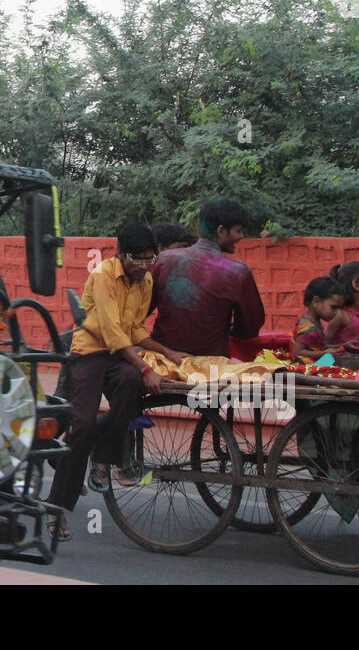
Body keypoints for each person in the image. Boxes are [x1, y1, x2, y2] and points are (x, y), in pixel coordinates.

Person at [45, 223, 167, 540]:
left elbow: (135, 328)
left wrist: (168, 352)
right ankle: (56, 509)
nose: (143, 266)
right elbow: (113, 332)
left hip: (118, 357)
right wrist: (145, 367)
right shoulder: (103, 275)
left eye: (149, 259)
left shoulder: (147, 279)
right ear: (120, 254)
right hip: (88, 353)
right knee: (82, 426)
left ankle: (102, 460)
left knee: (131, 383)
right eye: (137, 259)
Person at [147, 197, 266, 360]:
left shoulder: (164, 260)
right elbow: (249, 329)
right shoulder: (238, 273)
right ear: (221, 231)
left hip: (161, 362)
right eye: (238, 230)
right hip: (209, 368)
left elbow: (140, 310)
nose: (241, 236)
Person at [292, 276, 346, 360]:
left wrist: (342, 346)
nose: (336, 312)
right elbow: (297, 352)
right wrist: (324, 354)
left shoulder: (315, 323)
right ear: (316, 302)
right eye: (333, 307)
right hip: (303, 371)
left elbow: (320, 346)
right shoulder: (308, 327)